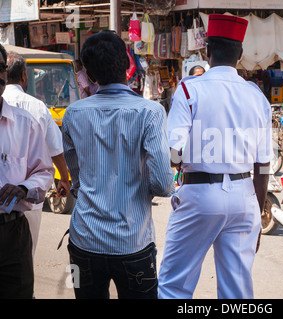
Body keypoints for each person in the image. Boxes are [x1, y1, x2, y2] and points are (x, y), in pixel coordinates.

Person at [159, 14, 273, 299]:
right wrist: (257, 215)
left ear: (207, 51)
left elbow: (174, 150)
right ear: (241, 55)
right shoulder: (257, 96)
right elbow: (263, 166)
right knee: (237, 292)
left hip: (200, 194)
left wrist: (177, 161)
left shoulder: (189, 89)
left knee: (174, 286)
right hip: (245, 198)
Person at [62, 31, 174, 299]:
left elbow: (76, 179)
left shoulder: (73, 114)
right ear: (127, 63)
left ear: (89, 75)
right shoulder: (150, 112)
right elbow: (162, 184)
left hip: (83, 241)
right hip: (133, 243)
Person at [3, 52, 70, 260]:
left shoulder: (27, 115)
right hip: (30, 205)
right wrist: (65, 179)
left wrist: (24, 188)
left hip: (24, 203)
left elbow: (48, 160)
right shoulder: (38, 107)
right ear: (24, 76)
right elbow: (55, 149)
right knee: (26, 257)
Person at [0, 43, 54, 299]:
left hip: (11, 233)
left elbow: (44, 171)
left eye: (0, 69)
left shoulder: (25, 123)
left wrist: (23, 187)